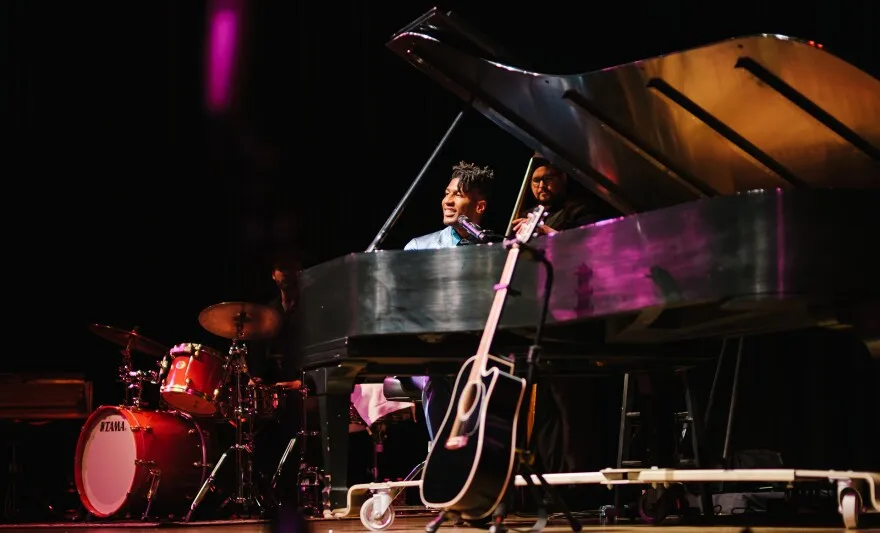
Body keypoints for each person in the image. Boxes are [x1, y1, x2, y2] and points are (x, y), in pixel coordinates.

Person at [403, 160, 497, 443]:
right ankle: (444, 457)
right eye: (447, 193)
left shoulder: (495, 250)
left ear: (479, 207)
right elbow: (405, 308)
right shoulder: (420, 248)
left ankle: (485, 456)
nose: (447, 200)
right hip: (428, 356)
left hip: (476, 354)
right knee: (441, 375)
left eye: (457, 194)